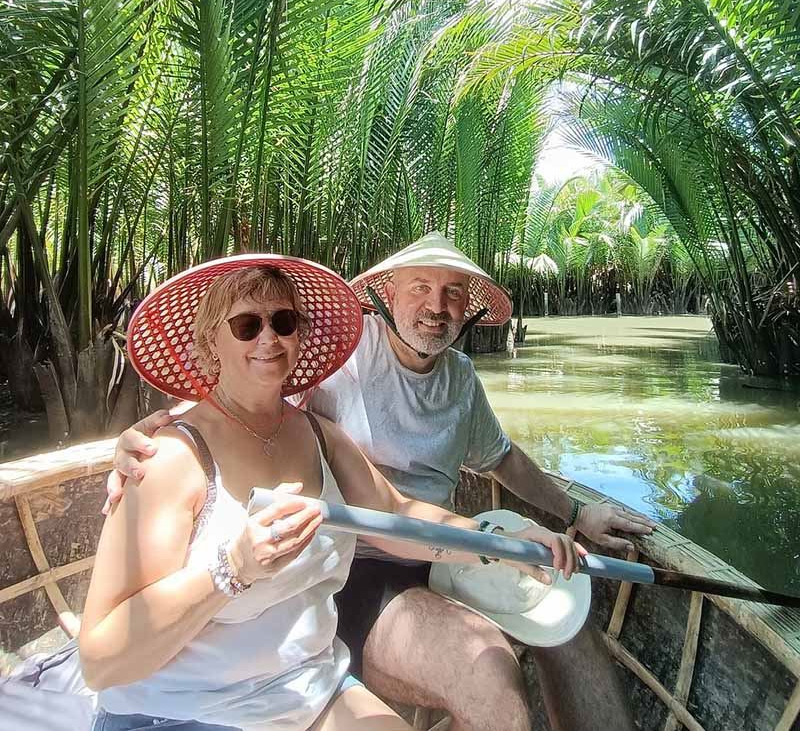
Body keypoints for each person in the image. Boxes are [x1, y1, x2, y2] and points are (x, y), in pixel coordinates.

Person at [108, 234, 654, 731]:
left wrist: (563, 520)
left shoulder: (449, 383)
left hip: (432, 550)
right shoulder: (337, 362)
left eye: (453, 293)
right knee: (487, 671)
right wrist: (163, 435)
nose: (436, 307)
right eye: (420, 287)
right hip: (355, 572)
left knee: (567, 613)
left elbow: (479, 471)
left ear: (469, 309)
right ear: (387, 296)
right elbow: (240, 402)